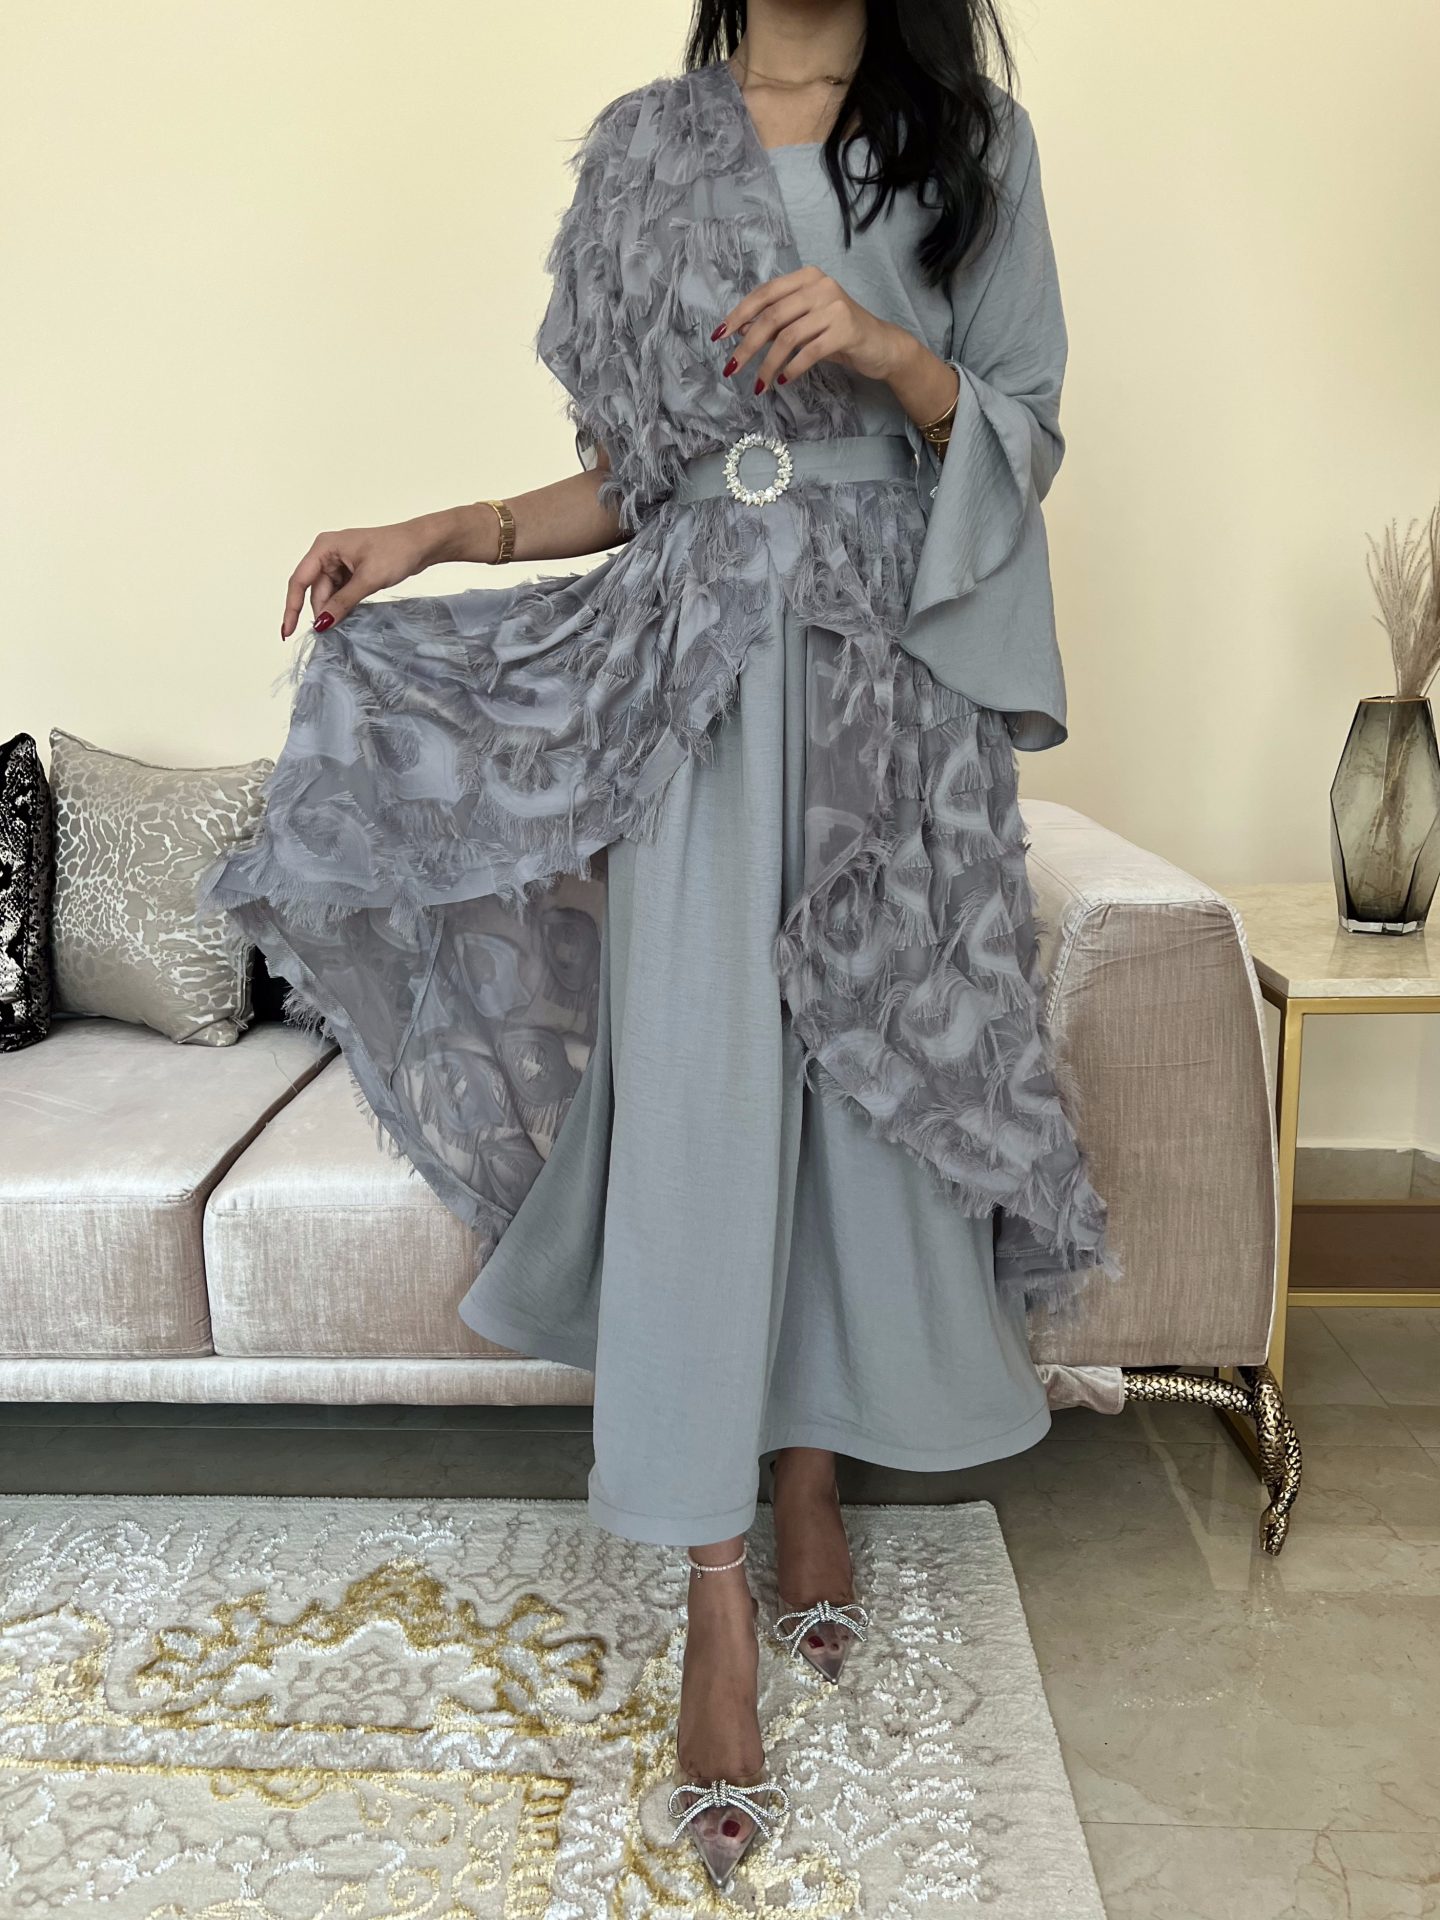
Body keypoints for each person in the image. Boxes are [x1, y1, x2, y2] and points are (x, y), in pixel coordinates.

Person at [197, 0, 1116, 1889]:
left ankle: (812, 1470)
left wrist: (893, 354)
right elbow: (638, 475)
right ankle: (715, 1593)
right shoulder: (645, 148)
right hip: (693, 677)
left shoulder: (967, 146)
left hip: (888, 680)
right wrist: (443, 530)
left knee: (861, 1089)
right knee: (701, 1101)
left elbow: (1020, 433)